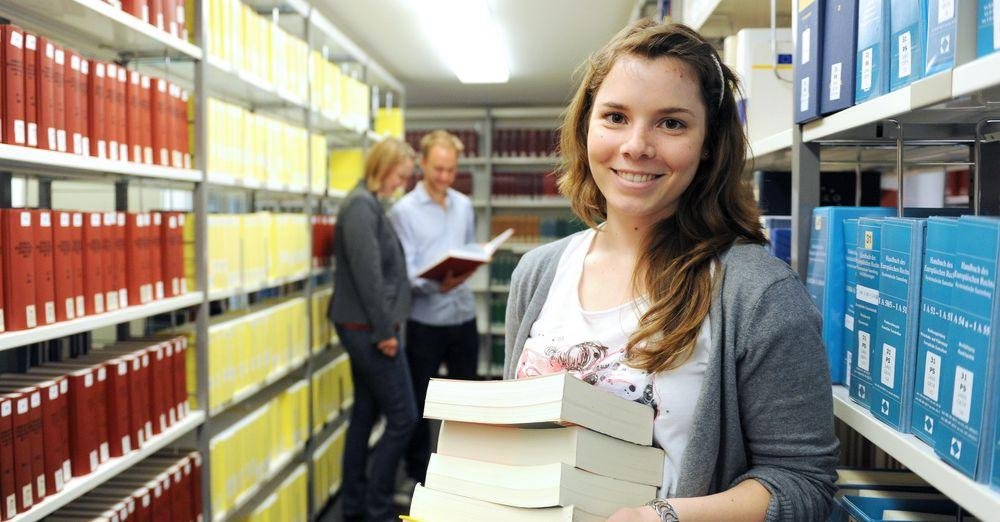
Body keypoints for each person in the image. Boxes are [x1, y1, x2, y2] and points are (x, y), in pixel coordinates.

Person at [504, 20, 839, 522]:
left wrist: (659, 518)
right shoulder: (537, 273)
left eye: (671, 123)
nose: (636, 145)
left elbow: (803, 486)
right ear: (585, 126)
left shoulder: (758, 293)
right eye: (615, 116)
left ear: (707, 144)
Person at [328, 137, 418, 522]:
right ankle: (377, 508)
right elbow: (369, 278)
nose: (401, 184)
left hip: (366, 325)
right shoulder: (361, 208)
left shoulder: (367, 204)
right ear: (382, 167)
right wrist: (385, 333)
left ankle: (354, 507)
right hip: (368, 329)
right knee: (403, 418)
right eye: (400, 176)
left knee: (365, 414)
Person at [388, 130, 479, 485]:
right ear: (422, 164)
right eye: (438, 169)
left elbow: (468, 249)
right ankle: (418, 474)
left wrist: (470, 265)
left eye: (451, 171)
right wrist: (437, 282)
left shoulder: (464, 205)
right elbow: (406, 273)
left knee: (465, 401)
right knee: (420, 405)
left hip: (463, 315)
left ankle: (464, 469)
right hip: (425, 320)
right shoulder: (403, 212)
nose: (444, 177)